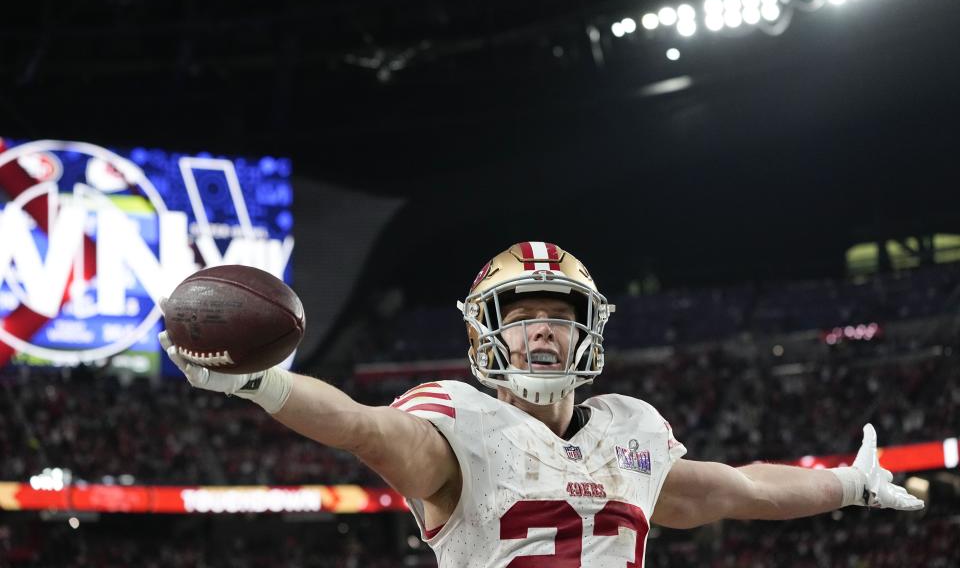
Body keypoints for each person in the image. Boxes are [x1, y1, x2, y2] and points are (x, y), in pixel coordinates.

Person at [159, 241, 923, 566]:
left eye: (558, 316)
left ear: (587, 330)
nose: (542, 333)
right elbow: (362, 428)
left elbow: (745, 488)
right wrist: (263, 382)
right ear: (487, 333)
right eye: (521, 317)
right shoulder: (456, 424)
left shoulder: (633, 431)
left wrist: (850, 484)